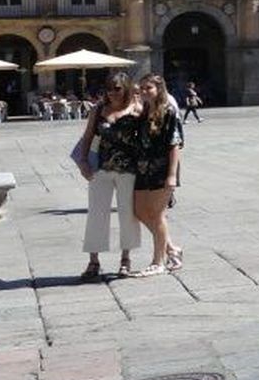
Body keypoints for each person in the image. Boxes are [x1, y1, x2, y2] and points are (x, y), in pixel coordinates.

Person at [74, 73, 143, 280]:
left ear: (127, 88)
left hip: (128, 170)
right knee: (96, 214)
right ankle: (93, 261)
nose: (112, 93)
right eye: (109, 89)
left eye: (117, 88)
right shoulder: (98, 110)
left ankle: (125, 259)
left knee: (128, 215)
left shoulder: (137, 110)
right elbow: (88, 136)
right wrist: (83, 162)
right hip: (100, 169)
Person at [131, 74, 183, 276]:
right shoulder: (144, 111)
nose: (144, 91)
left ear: (159, 89)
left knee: (157, 214)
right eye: (142, 88)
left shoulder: (168, 111)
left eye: (149, 88)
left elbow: (175, 144)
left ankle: (158, 262)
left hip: (162, 169)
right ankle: (171, 249)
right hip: (143, 168)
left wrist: (172, 175)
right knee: (139, 211)